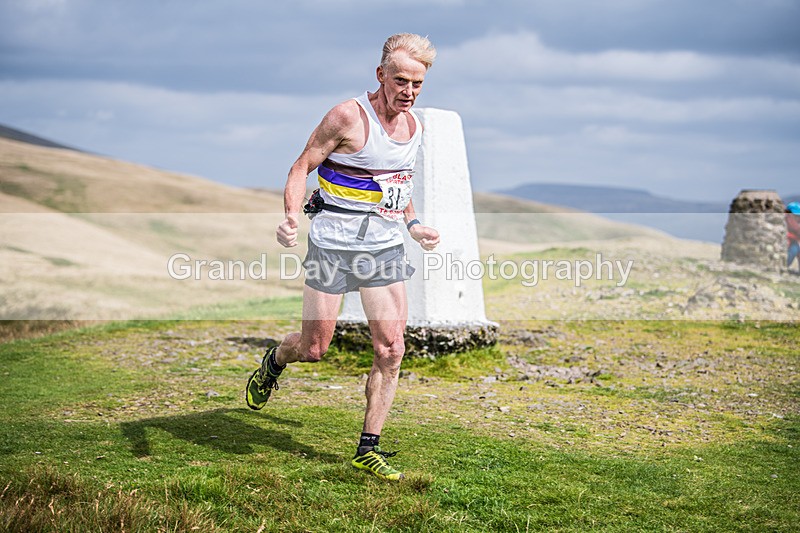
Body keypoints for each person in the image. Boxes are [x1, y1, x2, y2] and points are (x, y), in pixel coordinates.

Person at [245, 33, 440, 481]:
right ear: (380, 75)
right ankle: (274, 362)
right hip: (332, 246)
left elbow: (399, 188)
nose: (408, 92)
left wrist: (413, 225)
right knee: (314, 349)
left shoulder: (414, 128)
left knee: (391, 349)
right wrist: (291, 217)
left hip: (383, 249)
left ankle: (368, 448)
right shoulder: (347, 116)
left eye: (417, 83)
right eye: (400, 80)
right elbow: (300, 166)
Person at [786, 202, 800, 274]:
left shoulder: (794, 229)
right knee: (796, 247)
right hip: (784, 253)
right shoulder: (785, 225)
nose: (798, 219)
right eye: (796, 216)